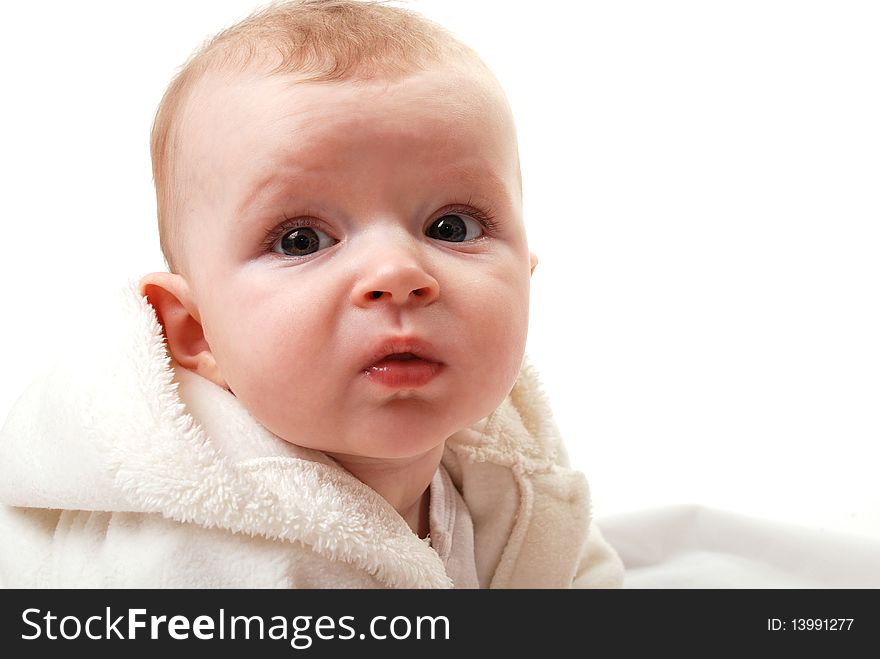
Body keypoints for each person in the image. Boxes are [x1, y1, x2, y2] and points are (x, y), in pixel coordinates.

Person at [0, 0, 623, 588]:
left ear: (525, 278)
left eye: (450, 228)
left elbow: (573, 571)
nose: (397, 272)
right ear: (195, 332)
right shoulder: (192, 555)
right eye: (301, 240)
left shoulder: (509, 465)